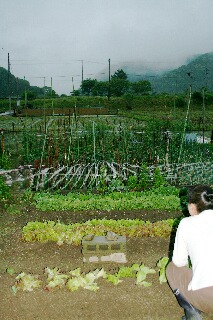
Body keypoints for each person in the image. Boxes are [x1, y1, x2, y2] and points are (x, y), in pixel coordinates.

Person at [166, 185, 213, 320]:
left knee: (172, 268)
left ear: (192, 207)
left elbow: (179, 262)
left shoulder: (186, 223)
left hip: (207, 298)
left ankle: (191, 311)